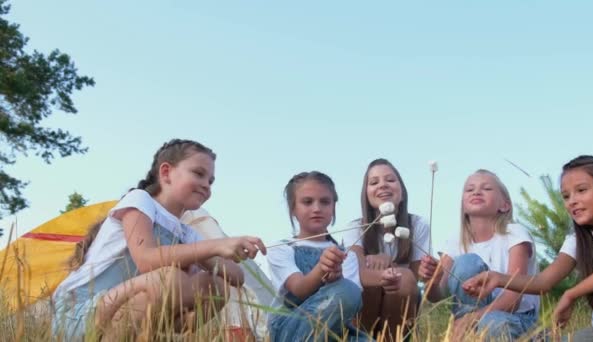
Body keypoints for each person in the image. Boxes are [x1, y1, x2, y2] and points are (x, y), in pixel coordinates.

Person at [52, 139, 266, 339]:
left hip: (130, 309)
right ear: (166, 172)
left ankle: (157, 333)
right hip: (78, 311)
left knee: (216, 286)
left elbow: (236, 277)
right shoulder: (140, 200)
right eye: (198, 174)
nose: (206, 185)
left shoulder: (185, 232)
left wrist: (228, 250)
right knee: (170, 279)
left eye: (210, 181)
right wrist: (215, 245)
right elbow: (146, 259)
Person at [463, 156, 593, 340]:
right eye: (566, 196)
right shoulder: (577, 241)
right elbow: (543, 282)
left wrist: (571, 294)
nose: (572, 201)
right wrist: (498, 279)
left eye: (581, 190)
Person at [419, 169, 538, 341]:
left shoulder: (515, 233)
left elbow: (513, 298)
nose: (476, 191)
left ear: (505, 205)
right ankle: (468, 333)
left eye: (487, 188)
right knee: (466, 263)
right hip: (469, 320)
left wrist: (470, 319)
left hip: (516, 318)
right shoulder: (455, 242)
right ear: (463, 205)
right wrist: (432, 280)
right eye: (469, 189)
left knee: (493, 323)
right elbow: (437, 296)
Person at [267, 171, 371, 341]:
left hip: (334, 330)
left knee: (348, 291)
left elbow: (350, 305)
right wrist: (321, 269)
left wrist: (336, 279)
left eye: (325, 202)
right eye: (307, 202)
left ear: (333, 207)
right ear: (293, 208)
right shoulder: (281, 249)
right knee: (347, 290)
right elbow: (299, 289)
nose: (317, 208)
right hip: (290, 328)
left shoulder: (346, 255)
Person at [343, 158, 429, 338]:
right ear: (366, 195)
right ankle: (362, 337)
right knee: (372, 268)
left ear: (402, 192)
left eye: (390, 180)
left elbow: (416, 278)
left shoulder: (418, 225)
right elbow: (357, 275)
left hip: (401, 300)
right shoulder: (355, 228)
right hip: (366, 301)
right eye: (374, 182)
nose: (382, 185)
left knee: (403, 277)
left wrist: (390, 265)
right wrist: (379, 269)